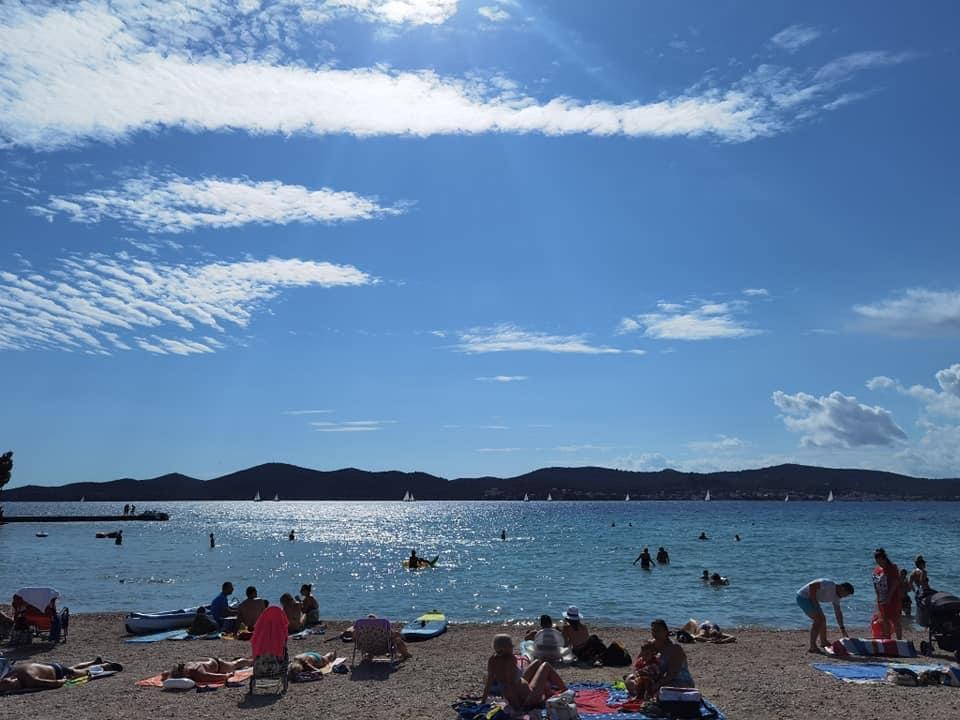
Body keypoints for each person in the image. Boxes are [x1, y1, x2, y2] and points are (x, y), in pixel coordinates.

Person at [481, 634, 566, 711]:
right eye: (511, 646)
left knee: (537, 662)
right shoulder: (510, 660)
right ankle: (565, 691)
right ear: (505, 648)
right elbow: (509, 685)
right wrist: (520, 707)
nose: (513, 647)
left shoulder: (492, 659)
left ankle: (550, 690)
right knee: (546, 666)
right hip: (528, 698)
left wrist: (483, 700)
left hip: (520, 690)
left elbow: (489, 681)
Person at [0, 657, 122, 694]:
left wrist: (63, 680)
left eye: (10, 685)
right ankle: (94, 662)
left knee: (81, 672)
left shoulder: (31, 680)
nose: (12, 688)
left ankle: (106, 666)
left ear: (13, 678)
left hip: (56, 671)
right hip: (47, 667)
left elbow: (54, 684)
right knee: (72, 668)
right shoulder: (10, 673)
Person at [796, 578, 854, 653]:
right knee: (818, 620)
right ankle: (812, 647)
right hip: (803, 597)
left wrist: (842, 629)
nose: (845, 597)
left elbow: (838, 613)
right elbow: (812, 586)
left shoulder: (836, 597)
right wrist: (815, 603)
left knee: (823, 619)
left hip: (812, 600)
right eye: (846, 594)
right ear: (842, 588)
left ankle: (823, 641)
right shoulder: (829, 584)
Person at [650, 618, 694, 690]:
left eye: (658, 631)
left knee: (657, 690)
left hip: (681, 682)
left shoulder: (675, 648)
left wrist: (657, 684)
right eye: (653, 630)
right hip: (663, 680)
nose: (655, 633)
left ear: (666, 632)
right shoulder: (653, 645)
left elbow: (672, 674)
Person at [873, 548, 902, 639]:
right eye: (877, 561)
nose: (879, 563)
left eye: (880, 561)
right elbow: (875, 584)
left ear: (885, 559)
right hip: (881, 598)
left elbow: (895, 583)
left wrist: (889, 596)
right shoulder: (877, 570)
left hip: (893, 598)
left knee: (895, 619)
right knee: (884, 620)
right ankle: (887, 639)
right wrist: (877, 598)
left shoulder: (892, 568)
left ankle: (899, 640)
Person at [162, 657, 252, 684]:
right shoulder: (180, 669)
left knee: (235, 664)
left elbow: (212, 677)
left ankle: (251, 661)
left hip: (219, 665)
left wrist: (228, 675)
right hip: (205, 660)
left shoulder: (196, 672)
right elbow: (165, 674)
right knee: (233, 663)